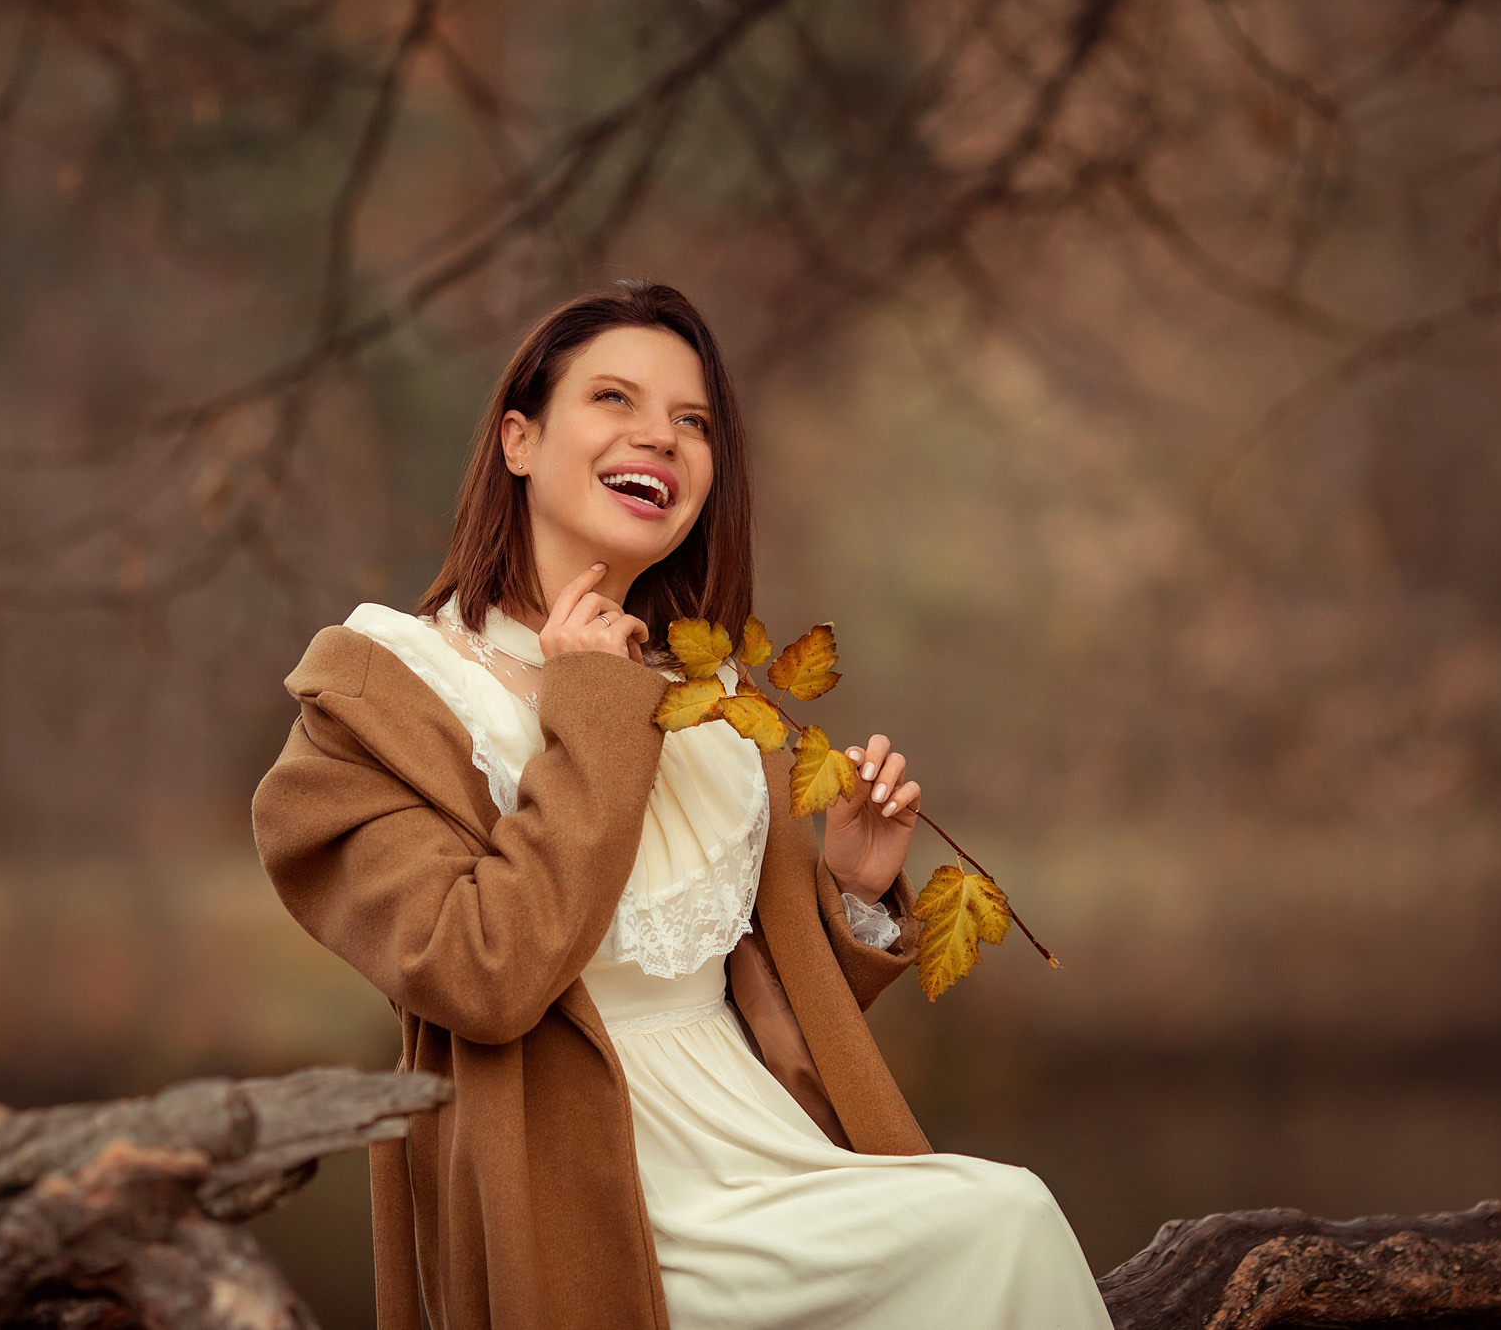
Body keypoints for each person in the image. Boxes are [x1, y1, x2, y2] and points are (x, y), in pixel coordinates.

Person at [251, 280, 1112, 1330]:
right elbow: (482, 972)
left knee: (999, 1217)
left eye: (692, 422)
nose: (659, 436)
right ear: (518, 440)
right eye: (614, 400)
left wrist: (848, 888)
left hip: (768, 1157)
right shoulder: (381, 699)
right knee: (1001, 1223)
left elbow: (755, 1007)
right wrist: (593, 715)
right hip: (583, 1197)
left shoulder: (711, 705)